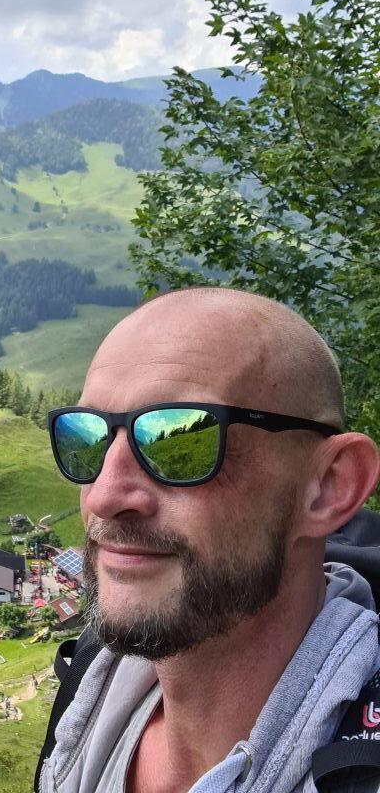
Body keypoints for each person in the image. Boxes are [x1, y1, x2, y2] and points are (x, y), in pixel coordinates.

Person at [38, 288, 380, 793]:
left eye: (180, 436)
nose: (104, 495)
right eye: (87, 436)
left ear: (330, 486)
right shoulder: (90, 687)